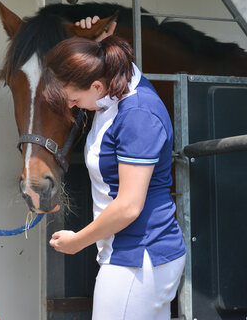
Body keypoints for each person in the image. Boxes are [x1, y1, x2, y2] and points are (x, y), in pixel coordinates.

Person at [43, 17, 186, 320]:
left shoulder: (137, 115)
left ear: (97, 86)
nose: (71, 106)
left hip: (138, 255)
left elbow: (129, 206)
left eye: (74, 99)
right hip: (131, 255)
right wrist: (97, 40)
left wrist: (77, 241)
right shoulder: (115, 85)